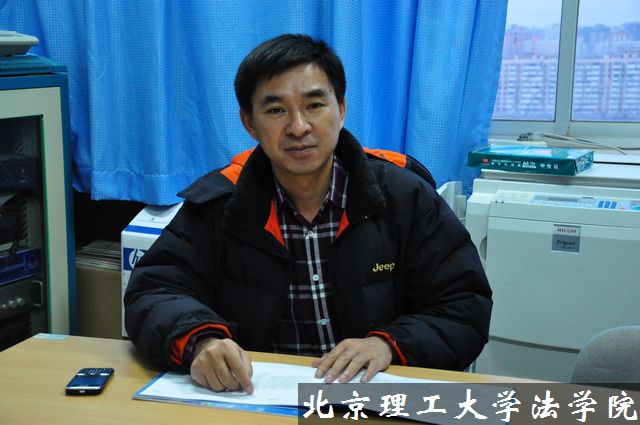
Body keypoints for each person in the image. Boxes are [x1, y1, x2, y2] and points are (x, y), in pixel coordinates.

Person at [124, 34, 492, 395]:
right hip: (256, 400)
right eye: (276, 110)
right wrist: (201, 341)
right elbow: (154, 291)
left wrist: (388, 344)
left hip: (373, 398)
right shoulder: (219, 206)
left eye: (314, 105)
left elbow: (463, 304)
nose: (298, 127)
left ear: (341, 109)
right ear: (249, 123)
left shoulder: (404, 197)